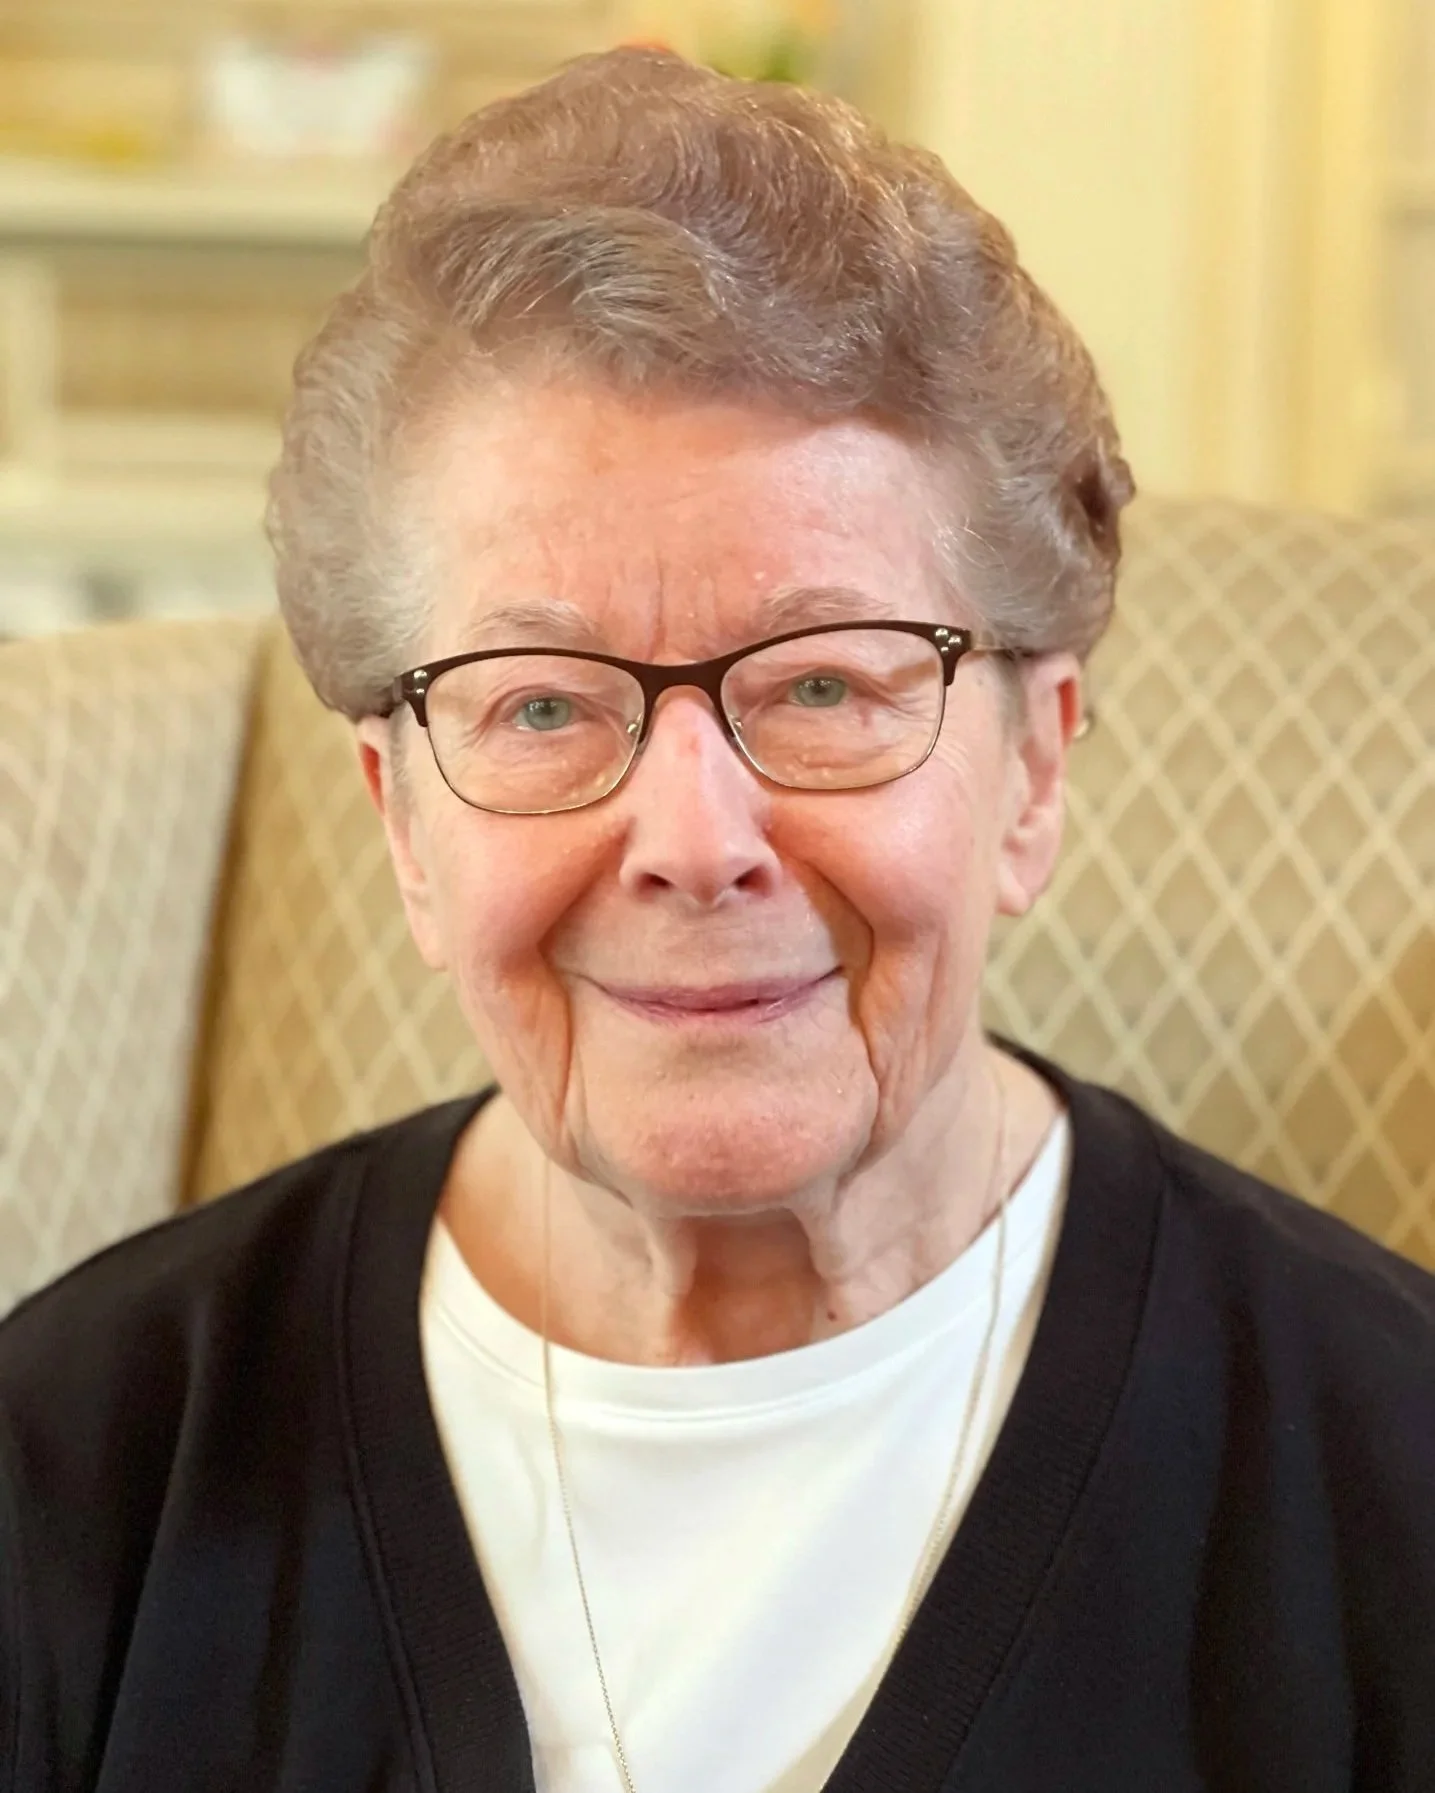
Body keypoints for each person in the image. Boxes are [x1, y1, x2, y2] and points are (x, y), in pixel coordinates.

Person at [2, 46, 1433, 1793]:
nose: (693, 842)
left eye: (823, 684)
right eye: (540, 705)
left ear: (1032, 771)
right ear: (403, 824)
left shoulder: (1390, 1474)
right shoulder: (80, 1462)